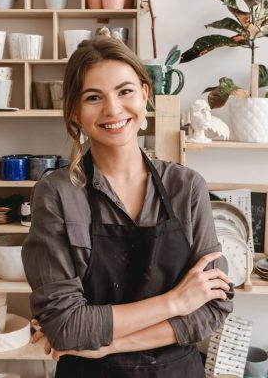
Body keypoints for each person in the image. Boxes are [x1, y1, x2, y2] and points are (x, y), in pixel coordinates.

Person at [22, 37, 234, 378]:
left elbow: (213, 306)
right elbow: (66, 327)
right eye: (94, 97)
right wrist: (175, 303)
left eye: (125, 91)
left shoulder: (186, 187)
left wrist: (108, 344)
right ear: (75, 112)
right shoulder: (57, 194)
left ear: (145, 96)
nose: (113, 109)